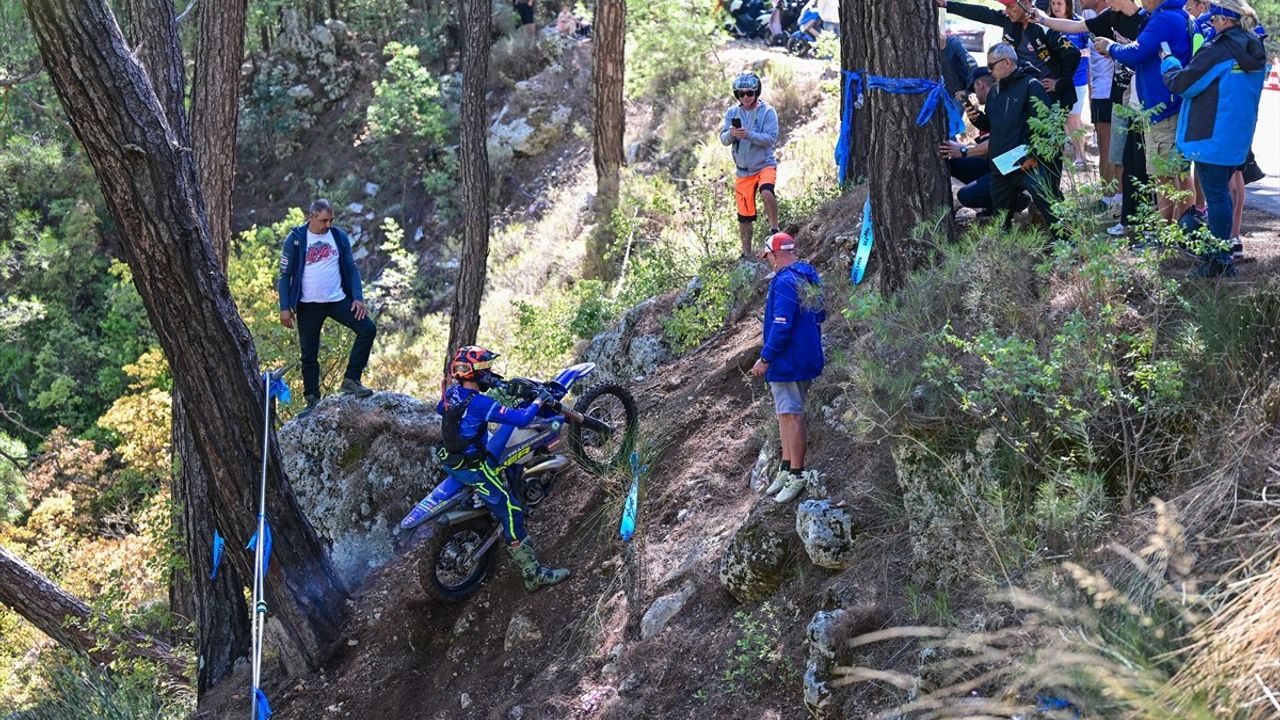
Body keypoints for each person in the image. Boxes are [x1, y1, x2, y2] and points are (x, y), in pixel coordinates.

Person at [435, 346, 571, 591]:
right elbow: (521, 419)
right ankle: (533, 575)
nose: (490, 373)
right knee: (512, 512)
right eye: (486, 370)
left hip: (451, 458)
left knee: (499, 451)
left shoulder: (453, 393)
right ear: (475, 374)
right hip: (474, 466)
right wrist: (539, 399)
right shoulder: (480, 404)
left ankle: (487, 501)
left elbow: (441, 408)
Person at [1161, 0, 1266, 277]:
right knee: (1222, 193)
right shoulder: (1253, 46)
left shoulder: (1219, 49)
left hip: (1211, 135)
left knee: (1217, 196)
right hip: (1237, 135)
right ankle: (1222, 254)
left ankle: (1219, 261)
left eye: (1214, 20)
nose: (1211, 24)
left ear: (1224, 20)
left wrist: (1168, 64)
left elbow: (1184, 83)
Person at [1032, 0, 1149, 233]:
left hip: (1144, 99)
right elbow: (1077, 26)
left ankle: (1147, 222)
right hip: (1120, 97)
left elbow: (1145, 54)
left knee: (1141, 163)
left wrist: (1112, 48)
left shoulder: (1145, 20)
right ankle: (1125, 216)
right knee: (1121, 156)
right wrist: (1042, 19)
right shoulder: (1110, 17)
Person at [1093, 0, 1195, 226]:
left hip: (1164, 109)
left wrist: (1110, 47)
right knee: (1172, 172)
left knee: (1170, 174)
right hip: (1166, 106)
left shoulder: (1165, 18)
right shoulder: (1176, 15)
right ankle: (1175, 229)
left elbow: (1135, 52)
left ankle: (1170, 232)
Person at [277, 199, 377, 418]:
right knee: (309, 354)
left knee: (367, 329)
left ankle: (351, 379)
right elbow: (284, 276)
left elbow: (351, 268)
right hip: (307, 305)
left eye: (331, 220)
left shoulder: (338, 236)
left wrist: (357, 298)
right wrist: (285, 307)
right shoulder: (295, 239)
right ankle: (312, 400)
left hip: (338, 300)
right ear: (310, 216)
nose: (328, 224)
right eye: (323, 220)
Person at [751, 233, 824, 505]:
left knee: (790, 415)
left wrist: (766, 358)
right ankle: (785, 466)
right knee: (784, 413)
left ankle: (797, 473)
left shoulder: (783, 281)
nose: (767, 260)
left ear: (776, 253)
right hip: (804, 358)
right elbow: (821, 313)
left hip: (787, 361)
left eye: (768, 255)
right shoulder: (809, 275)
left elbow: (781, 325)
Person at [976, 43, 1065, 236]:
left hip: (1027, 162)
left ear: (1007, 62)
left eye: (992, 66)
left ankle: (1069, 245)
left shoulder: (1031, 85)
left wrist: (1032, 155)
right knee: (1000, 220)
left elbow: (1046, 126)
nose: (989, 70)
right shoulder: (994, 92)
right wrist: (977, 118)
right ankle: (1004, 256)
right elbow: (992, 124)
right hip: (1001, 164)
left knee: (1050, 208)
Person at [720, 72, 781, 258]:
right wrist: (732, 134)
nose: (745, 97)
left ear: (756, 93)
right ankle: (746, 252)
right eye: (741, 94)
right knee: (744, 215)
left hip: (764, 164)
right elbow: (723, 139)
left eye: (749, 93)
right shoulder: (732, 113)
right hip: (743, 171)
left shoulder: (767, 112)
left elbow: (771, 138)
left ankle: (775, 230)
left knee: (767, 191)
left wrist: (749, 135)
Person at [1050, 0, 1093, 169]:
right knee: (1056, 118)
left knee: (1073, 117)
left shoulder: (1079, 24)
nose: (1056, 7)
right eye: (1053, 3)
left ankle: (1080, 156)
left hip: (1077, 80)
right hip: (1055, 81)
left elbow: (1092, 50)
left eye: (1059, 3)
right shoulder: (1048, 24)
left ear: (1068, 4)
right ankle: (1056, 158)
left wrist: (1075, 54)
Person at [940, 30, 979, 96]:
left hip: (957, 94)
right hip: (941, 94)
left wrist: (968, 90)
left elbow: (972, 66)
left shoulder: (953, 44)